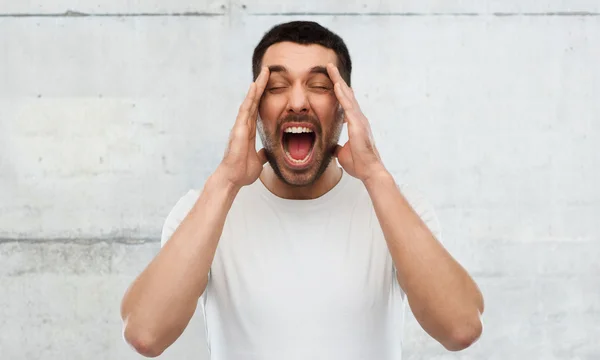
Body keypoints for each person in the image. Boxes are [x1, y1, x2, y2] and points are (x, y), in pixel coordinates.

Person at [120, 21, 485, 359]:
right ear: (256, 107)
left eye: (321, 86)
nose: (297, 102)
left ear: (345, 107)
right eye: (277, 87)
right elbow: (146, 334)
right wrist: (226, 181)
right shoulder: (203, 211)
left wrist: (375, 173)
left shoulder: (398, 208)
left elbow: (460, 328)